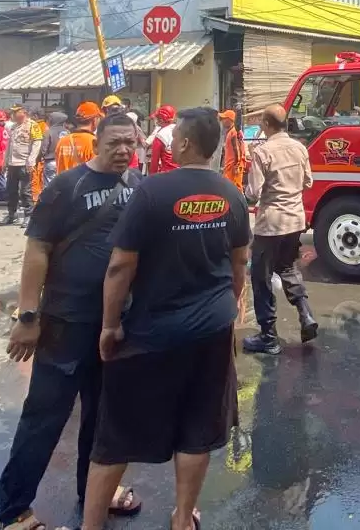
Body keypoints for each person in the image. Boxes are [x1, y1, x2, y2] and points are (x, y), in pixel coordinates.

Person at [79, 107, 251, 530]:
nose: (170, 142)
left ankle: (91, 524)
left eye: (175, 137)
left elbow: (121, 265)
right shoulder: (231, 194)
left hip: (151, 332)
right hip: (211, 330)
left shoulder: (152, 191)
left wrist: (109, 325)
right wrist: (231, 307)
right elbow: (239, 262)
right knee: (198, 429)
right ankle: (183, 517)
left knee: (116, 434)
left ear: (187, 143)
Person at [0, 113, 145, 530]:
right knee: (44, 418)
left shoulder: (138, 184)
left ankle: (94, 492)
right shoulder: (66, 186)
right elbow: (37, 249)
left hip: (115, 324)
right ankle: (8, 510)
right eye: (114, 142)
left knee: (103, 417)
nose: (123, 150)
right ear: (97, 141)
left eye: (129, 142)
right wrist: (27, 316)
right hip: (65, 322)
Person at [243, 103, 316, 355]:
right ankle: (305, 314)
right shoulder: (300, 148)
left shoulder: (263, 152)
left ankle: (268, 337)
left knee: (260, 278)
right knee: (287, 268)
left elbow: (253, 193)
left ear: (266, 124)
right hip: (295, 221)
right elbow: (308, 181)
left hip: (271, 224)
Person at [58, 103, 102, 172]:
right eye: (99, 118)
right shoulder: (93, 142)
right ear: (94, 120)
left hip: (63, 179)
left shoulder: (62, 141)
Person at [40, 110, 69, 194]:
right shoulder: (68, 132)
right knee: (63, 183)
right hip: (65, 161)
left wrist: (39, 158)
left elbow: (43, 149)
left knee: (49, 184)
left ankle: (50, 201)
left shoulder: (49, 132)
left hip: (51, 161)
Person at [146, 104, 178, 175]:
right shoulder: (180, 130)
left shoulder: (160, 135)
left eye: (157, 118)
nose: (156, 120)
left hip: (167, 174)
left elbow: (154, 162)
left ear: (161, 119)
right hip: (181, 172)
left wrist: (152, 178)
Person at [220, 109, 247, 190]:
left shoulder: (234, 132)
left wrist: (236, 166)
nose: (222, 121)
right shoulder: (231, 132)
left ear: (229, 120)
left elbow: (238, 149)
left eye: (224, 119)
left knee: (235, 189)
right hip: (230, 167)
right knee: (230, 189)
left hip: (233, 167)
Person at [29, 109, 50, 204]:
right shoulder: (46, 126)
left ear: (35, 116)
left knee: (35, 178)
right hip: (41, 157)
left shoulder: (36, 126)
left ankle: (35, 198)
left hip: (37, 157)